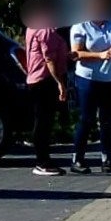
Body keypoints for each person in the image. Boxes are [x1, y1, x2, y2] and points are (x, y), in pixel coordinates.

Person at [70, 12, 111, 173]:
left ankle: (107, 159)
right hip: (89, 78)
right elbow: (76, 54)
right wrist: (100, 55)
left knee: (107, 120)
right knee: (87, 119)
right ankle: (78, 159)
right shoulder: (80, 26)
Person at [23, 25, 69, 176]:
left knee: (43, 120)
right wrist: (59, 83)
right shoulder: (45, 29)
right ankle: (42, 162)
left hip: (34, 79)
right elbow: (49, 58)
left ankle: (43, 160)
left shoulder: (33, 27)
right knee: (44, 121)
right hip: (44, 79)